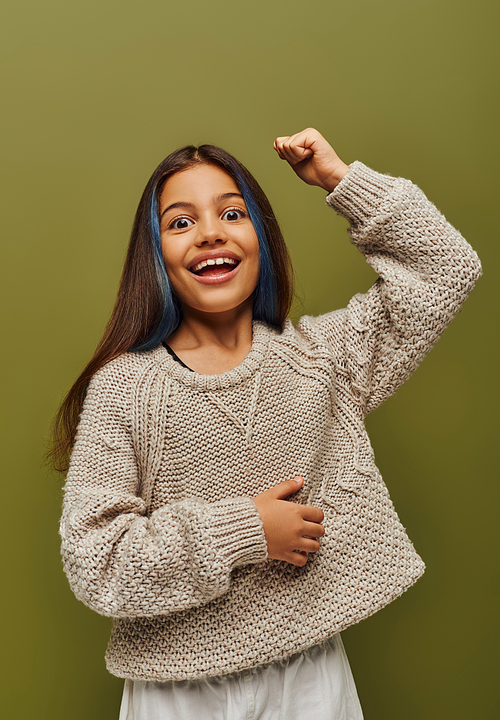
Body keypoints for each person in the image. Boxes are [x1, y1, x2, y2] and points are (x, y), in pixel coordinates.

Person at [55, 128, 481, 719]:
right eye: (180, 222)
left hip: (310, 674)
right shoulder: (125, 389)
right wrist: (246, 530)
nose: (209, 232)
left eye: (232, 213)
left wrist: (340, 180)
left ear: (261, 235)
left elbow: (446, 270)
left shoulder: (320, 359)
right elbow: (94, 559)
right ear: (154, 254)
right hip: (176, 692)